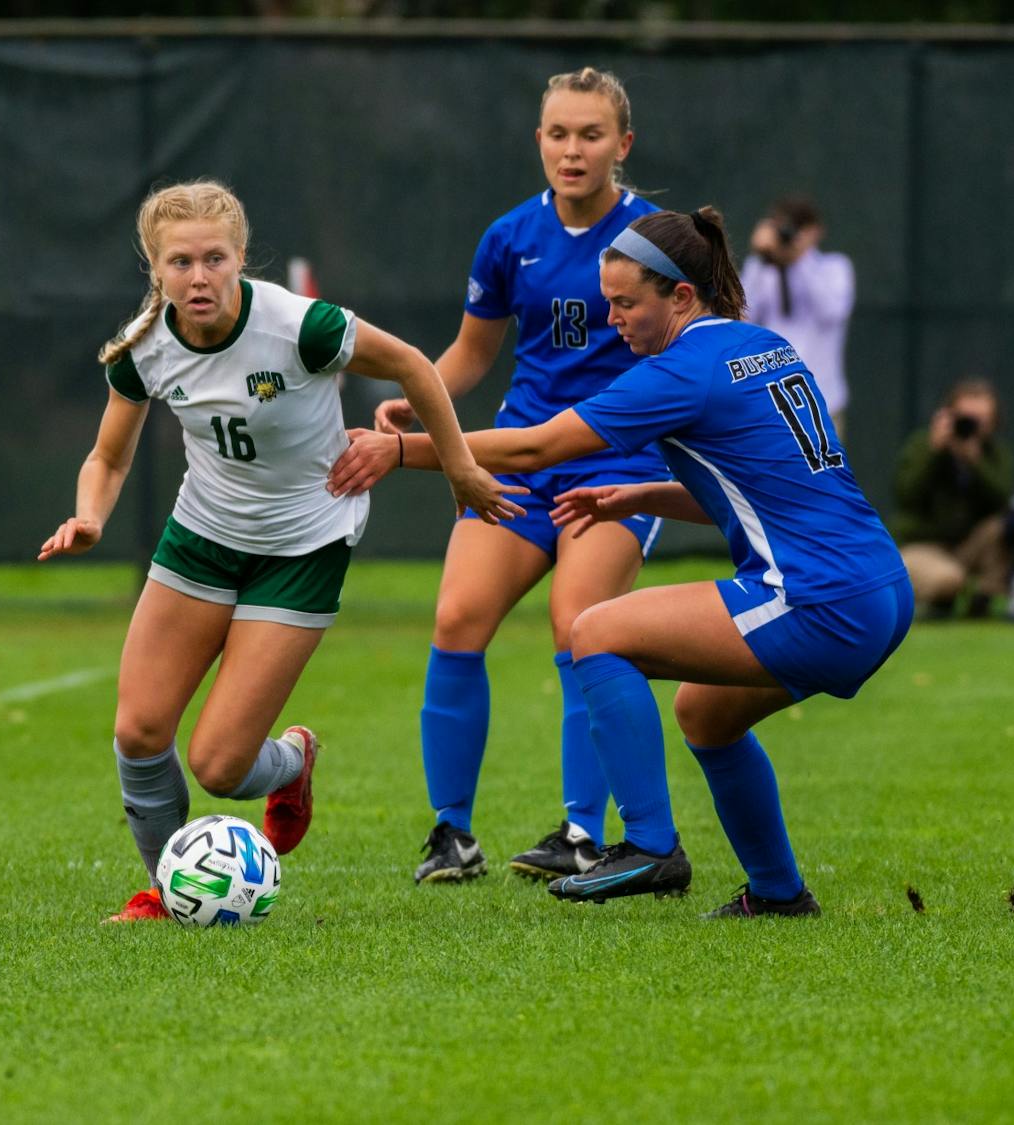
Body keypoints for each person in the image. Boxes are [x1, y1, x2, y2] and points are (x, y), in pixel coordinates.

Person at [331, 207, 913, 917]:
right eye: (608, 302)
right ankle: (779, 893)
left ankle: (650, 845)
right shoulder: (763, 346)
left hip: (818, 599)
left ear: (682, 297)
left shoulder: (682, 370)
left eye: (627, 303)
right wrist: (645, 494)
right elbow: (764, 491)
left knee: (596, 631)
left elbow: (536, 446)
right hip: (880, 589)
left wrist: (402, 451)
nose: (613, 320)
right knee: (705, 714)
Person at [39, 180, 521, 923]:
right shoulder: (145, 349)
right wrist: (89, 515)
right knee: (138, 732)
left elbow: (415, 367)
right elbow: (106, 457)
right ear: (154, 267)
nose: (198, 277)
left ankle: (293, 759)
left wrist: (456, 467)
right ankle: (171, 894)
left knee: (221, 767)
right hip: (201, 540)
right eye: (179, 263)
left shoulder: (301, 327)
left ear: (239, 260)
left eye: (214, 259)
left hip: (301, 546)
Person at [371, 67, 673, 885]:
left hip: (619, 460)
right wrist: (419, 400)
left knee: (581, 625)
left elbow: (692, 348)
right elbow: (473, 354)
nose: (573, 150)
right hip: (519, 458)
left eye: (591, 134)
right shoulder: (509, 237)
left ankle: (581, 832)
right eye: (558, 134)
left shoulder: (657, 240)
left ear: (624, 144)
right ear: (537, 140)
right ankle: (452, 834)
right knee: (458, 617)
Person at [891, 378, 1014, 618]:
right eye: (966, 419)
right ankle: (935, 598)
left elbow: (1002, 499)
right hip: (922, 544)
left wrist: (975, 464)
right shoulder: (922, 446)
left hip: (966, 545)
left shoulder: (994, 454)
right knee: (949, 580)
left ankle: (983, 599)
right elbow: (906, 494)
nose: (972, 428)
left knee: (1004, 527)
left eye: (981, 421)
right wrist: (934, 452)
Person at [740, 196, 855, 437]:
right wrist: (763, 257)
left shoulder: (833, 268)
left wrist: (799, 259)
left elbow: (831, 310)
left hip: (823, 397)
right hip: (770, 398)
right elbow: (742, 316)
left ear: (815, 231)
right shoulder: (762, 270)